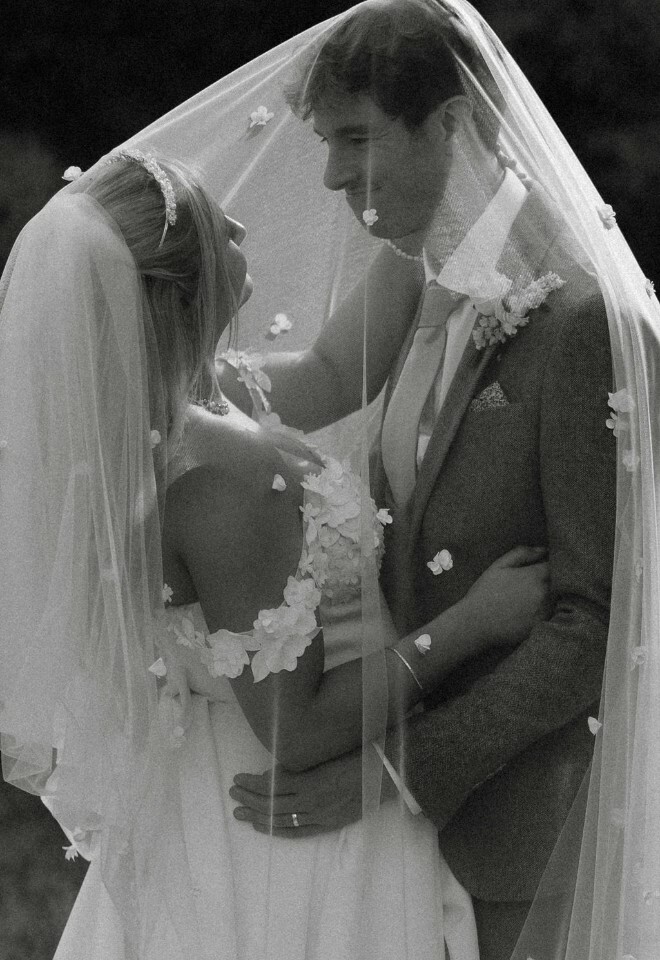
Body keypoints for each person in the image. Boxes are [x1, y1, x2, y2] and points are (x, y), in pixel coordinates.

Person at [0, 147, 552, 960]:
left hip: (203, 805)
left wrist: (445, 210)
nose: (242, 225)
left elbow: (335, 371)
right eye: (215, 223)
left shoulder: (163, 412)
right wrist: (471, 625)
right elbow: (296, 727)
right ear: (177, 284)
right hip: (285, 834)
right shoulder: (220, 473)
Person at [202, 2, 618, 957]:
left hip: (529, 832)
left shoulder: (576, 309)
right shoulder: (416, 267)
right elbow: (303, 385)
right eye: (326, 140)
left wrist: (391, 774)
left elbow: (591, 620)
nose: (332, 175)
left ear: (453, 122)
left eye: (357, 138)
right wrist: (135, 368)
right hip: (421, 842)